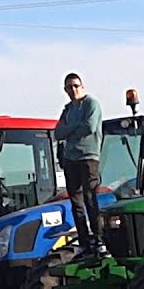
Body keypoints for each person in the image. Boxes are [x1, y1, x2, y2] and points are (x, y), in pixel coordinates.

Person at [55, 73, 107, 259]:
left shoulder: (91, 104)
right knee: (75, 201)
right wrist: (75, 127)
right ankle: (84, 241)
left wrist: (70, 130)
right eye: (69, 87)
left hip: (88, 157)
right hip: (70, 159)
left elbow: (90, 127)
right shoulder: (67, 109)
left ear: (82, 86)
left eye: (76, 85)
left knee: (90, 197)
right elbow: (58, 133)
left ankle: (100, 240)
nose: (73, 90)